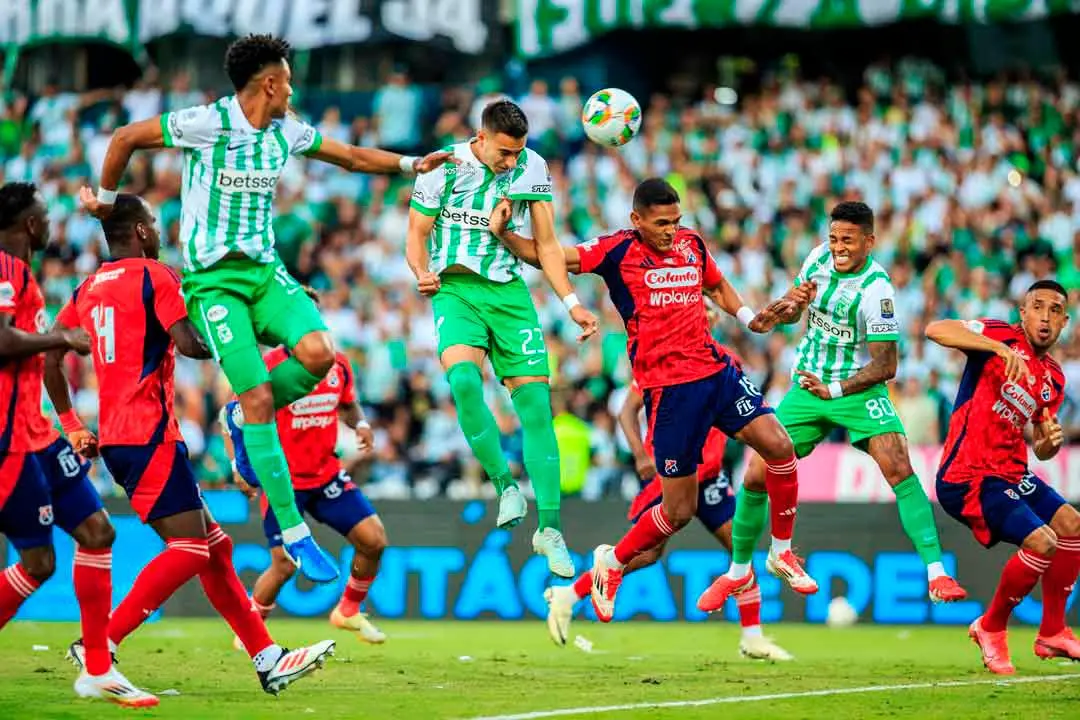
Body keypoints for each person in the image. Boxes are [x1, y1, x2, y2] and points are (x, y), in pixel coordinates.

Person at [79, 33, 452, 583]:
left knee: (320, 353)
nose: (293, 89)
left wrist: (412, 164)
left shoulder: (287, 131)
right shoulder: (208, 122)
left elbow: (349, 157)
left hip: (266, 273)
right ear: (270, 83)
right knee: (257, 396)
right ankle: (293, 532)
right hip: (214, 282)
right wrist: (105, 204)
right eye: (289, 80)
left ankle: (244, 416)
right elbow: (126, 136)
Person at [47, 194, 336, 695]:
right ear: (139, 232)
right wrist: (252, 335)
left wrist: (72, 422)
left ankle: (267, 658)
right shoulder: (157, 277)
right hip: (149, 434)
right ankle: (101, 645)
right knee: (191, 548)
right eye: (154, 225)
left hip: (119, 437)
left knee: (217, 549)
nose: (158, 233)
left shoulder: (87, 287)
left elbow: (51, 354)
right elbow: (189, 343)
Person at [491, 177, 802, 622]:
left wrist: (751, 318)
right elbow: (552, 254)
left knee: (779, 446)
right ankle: (612, 564)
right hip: (670, 391)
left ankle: (783, 553)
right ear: (636, 220)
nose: (671, 231)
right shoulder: (616, 250)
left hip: (715, 371)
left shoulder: (692, 243)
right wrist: (504, 234)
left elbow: (717, 286)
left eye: (676, 221)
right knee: (677, 512)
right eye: (661, 223)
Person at [698, 202, 967, 612]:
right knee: (755, 474)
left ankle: (936, 573)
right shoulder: (818, 258)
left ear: (869, 242)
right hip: (808, 383)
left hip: (856, 388)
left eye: (848, 240)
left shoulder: (877, 291)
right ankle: (737, 573)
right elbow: (790, 314)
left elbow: (887, 365)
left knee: (897, 464)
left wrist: (837, 389)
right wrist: (791, 303)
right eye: (834, 238)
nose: (838, 248)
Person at [406, 99, 599, 578]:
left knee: (536, 409)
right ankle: (504, 485)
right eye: (504, 152)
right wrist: (420, 270)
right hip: (455, 290)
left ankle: (549, 530)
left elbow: (549, 244)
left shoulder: (532, 168)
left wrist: (572, 303)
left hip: (510, 295)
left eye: (518, 153)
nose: (511, 162)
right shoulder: (443, 167)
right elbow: (417, 231)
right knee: (465, 384)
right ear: (482, 136)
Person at [0, 182, 155, 706]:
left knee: (97, 530)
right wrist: (62, 338)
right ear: (28, 224)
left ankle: (97, 669)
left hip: (38, 435)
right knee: (39, 563)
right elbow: (1, 341)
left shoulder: (23, 274)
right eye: (43, 216)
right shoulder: (3, 268)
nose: (49, 224)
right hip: (9, 443)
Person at [544, 381, 793, 660]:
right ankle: (570, 594)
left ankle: (752, 637)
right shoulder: (663, 362)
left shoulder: (720, 361)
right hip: (670, 473)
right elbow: (627, 411)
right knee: (648, 553)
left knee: (741, 548)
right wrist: (640, 455)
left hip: (709, 475)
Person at [927, 280, 1080, 674]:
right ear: (1022, 312)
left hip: (1012, 471)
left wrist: (1049, 444)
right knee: (1043, 542)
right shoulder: (1000, 335)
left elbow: (1042, 443)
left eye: (1054, 310)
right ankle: (990, 627)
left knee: (1072, 526)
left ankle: (1052, 630)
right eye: (1037, 307)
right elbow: (936, 329)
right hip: (969, 474)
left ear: (1065, 320)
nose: (1045, 317)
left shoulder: (1052, 379)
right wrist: (995, 348)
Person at [226, 317, 388, 645]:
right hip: (283, 481)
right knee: (283, 566)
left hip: (326, 475)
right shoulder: (267, 367)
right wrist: (237, 465)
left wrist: (361, 424)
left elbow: (348, 402)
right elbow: (232, 415)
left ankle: (347, 610)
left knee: (374, 540)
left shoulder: (337, 363)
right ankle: (250, 632)